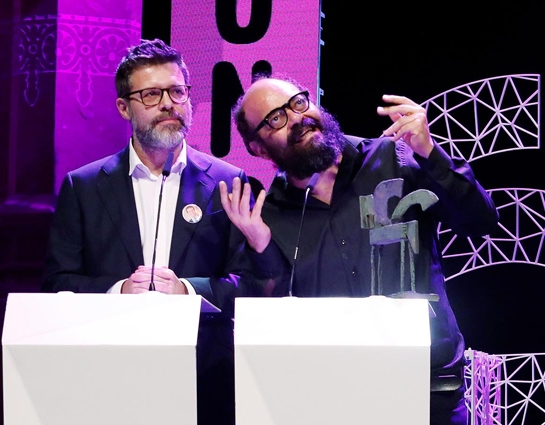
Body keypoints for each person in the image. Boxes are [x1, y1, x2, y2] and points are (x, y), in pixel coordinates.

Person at [221, 75, 498, 425]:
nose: (296, 119)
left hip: (429, 391)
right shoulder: (267, 215)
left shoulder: (394, 157)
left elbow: (481, 222)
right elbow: (269, 320)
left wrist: (430, 152)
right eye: (275, 119)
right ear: (257, 148)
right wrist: (260, 246)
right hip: (332, 397)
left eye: (298, 103)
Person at [42, 39, 249, 425]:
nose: (169, 103)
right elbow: (57, 283)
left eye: (177, 91)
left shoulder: (226, 181)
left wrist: (187, 290)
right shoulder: (83, 186)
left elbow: (248, 282)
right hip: (111, 380)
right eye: (152, 94)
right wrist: (118, 291)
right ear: (124, 107)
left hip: (204, 379)